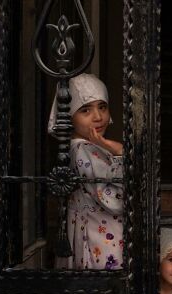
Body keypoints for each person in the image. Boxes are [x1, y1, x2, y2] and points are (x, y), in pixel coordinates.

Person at [48, 73, 125, 270]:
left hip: (97, 234)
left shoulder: (79, 148)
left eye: (102, 107)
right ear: (70, 116)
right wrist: (119, 152)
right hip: (100, 240)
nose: (98, 117)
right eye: (85, 110)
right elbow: (115, 201)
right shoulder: (84, 150)